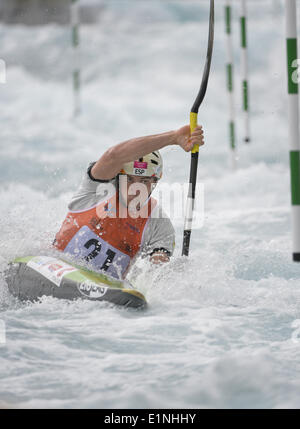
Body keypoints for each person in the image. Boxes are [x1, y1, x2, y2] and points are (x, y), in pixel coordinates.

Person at [53, 124, 204, 280]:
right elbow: (113, 155)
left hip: (103, 291)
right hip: (54, 269)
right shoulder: (97, 188)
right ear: (118, 177)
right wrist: (174, 137)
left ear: (155, 183)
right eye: (129, 179)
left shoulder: (159, 224)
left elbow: (157, 273)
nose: (134, 190)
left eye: (144, 181)